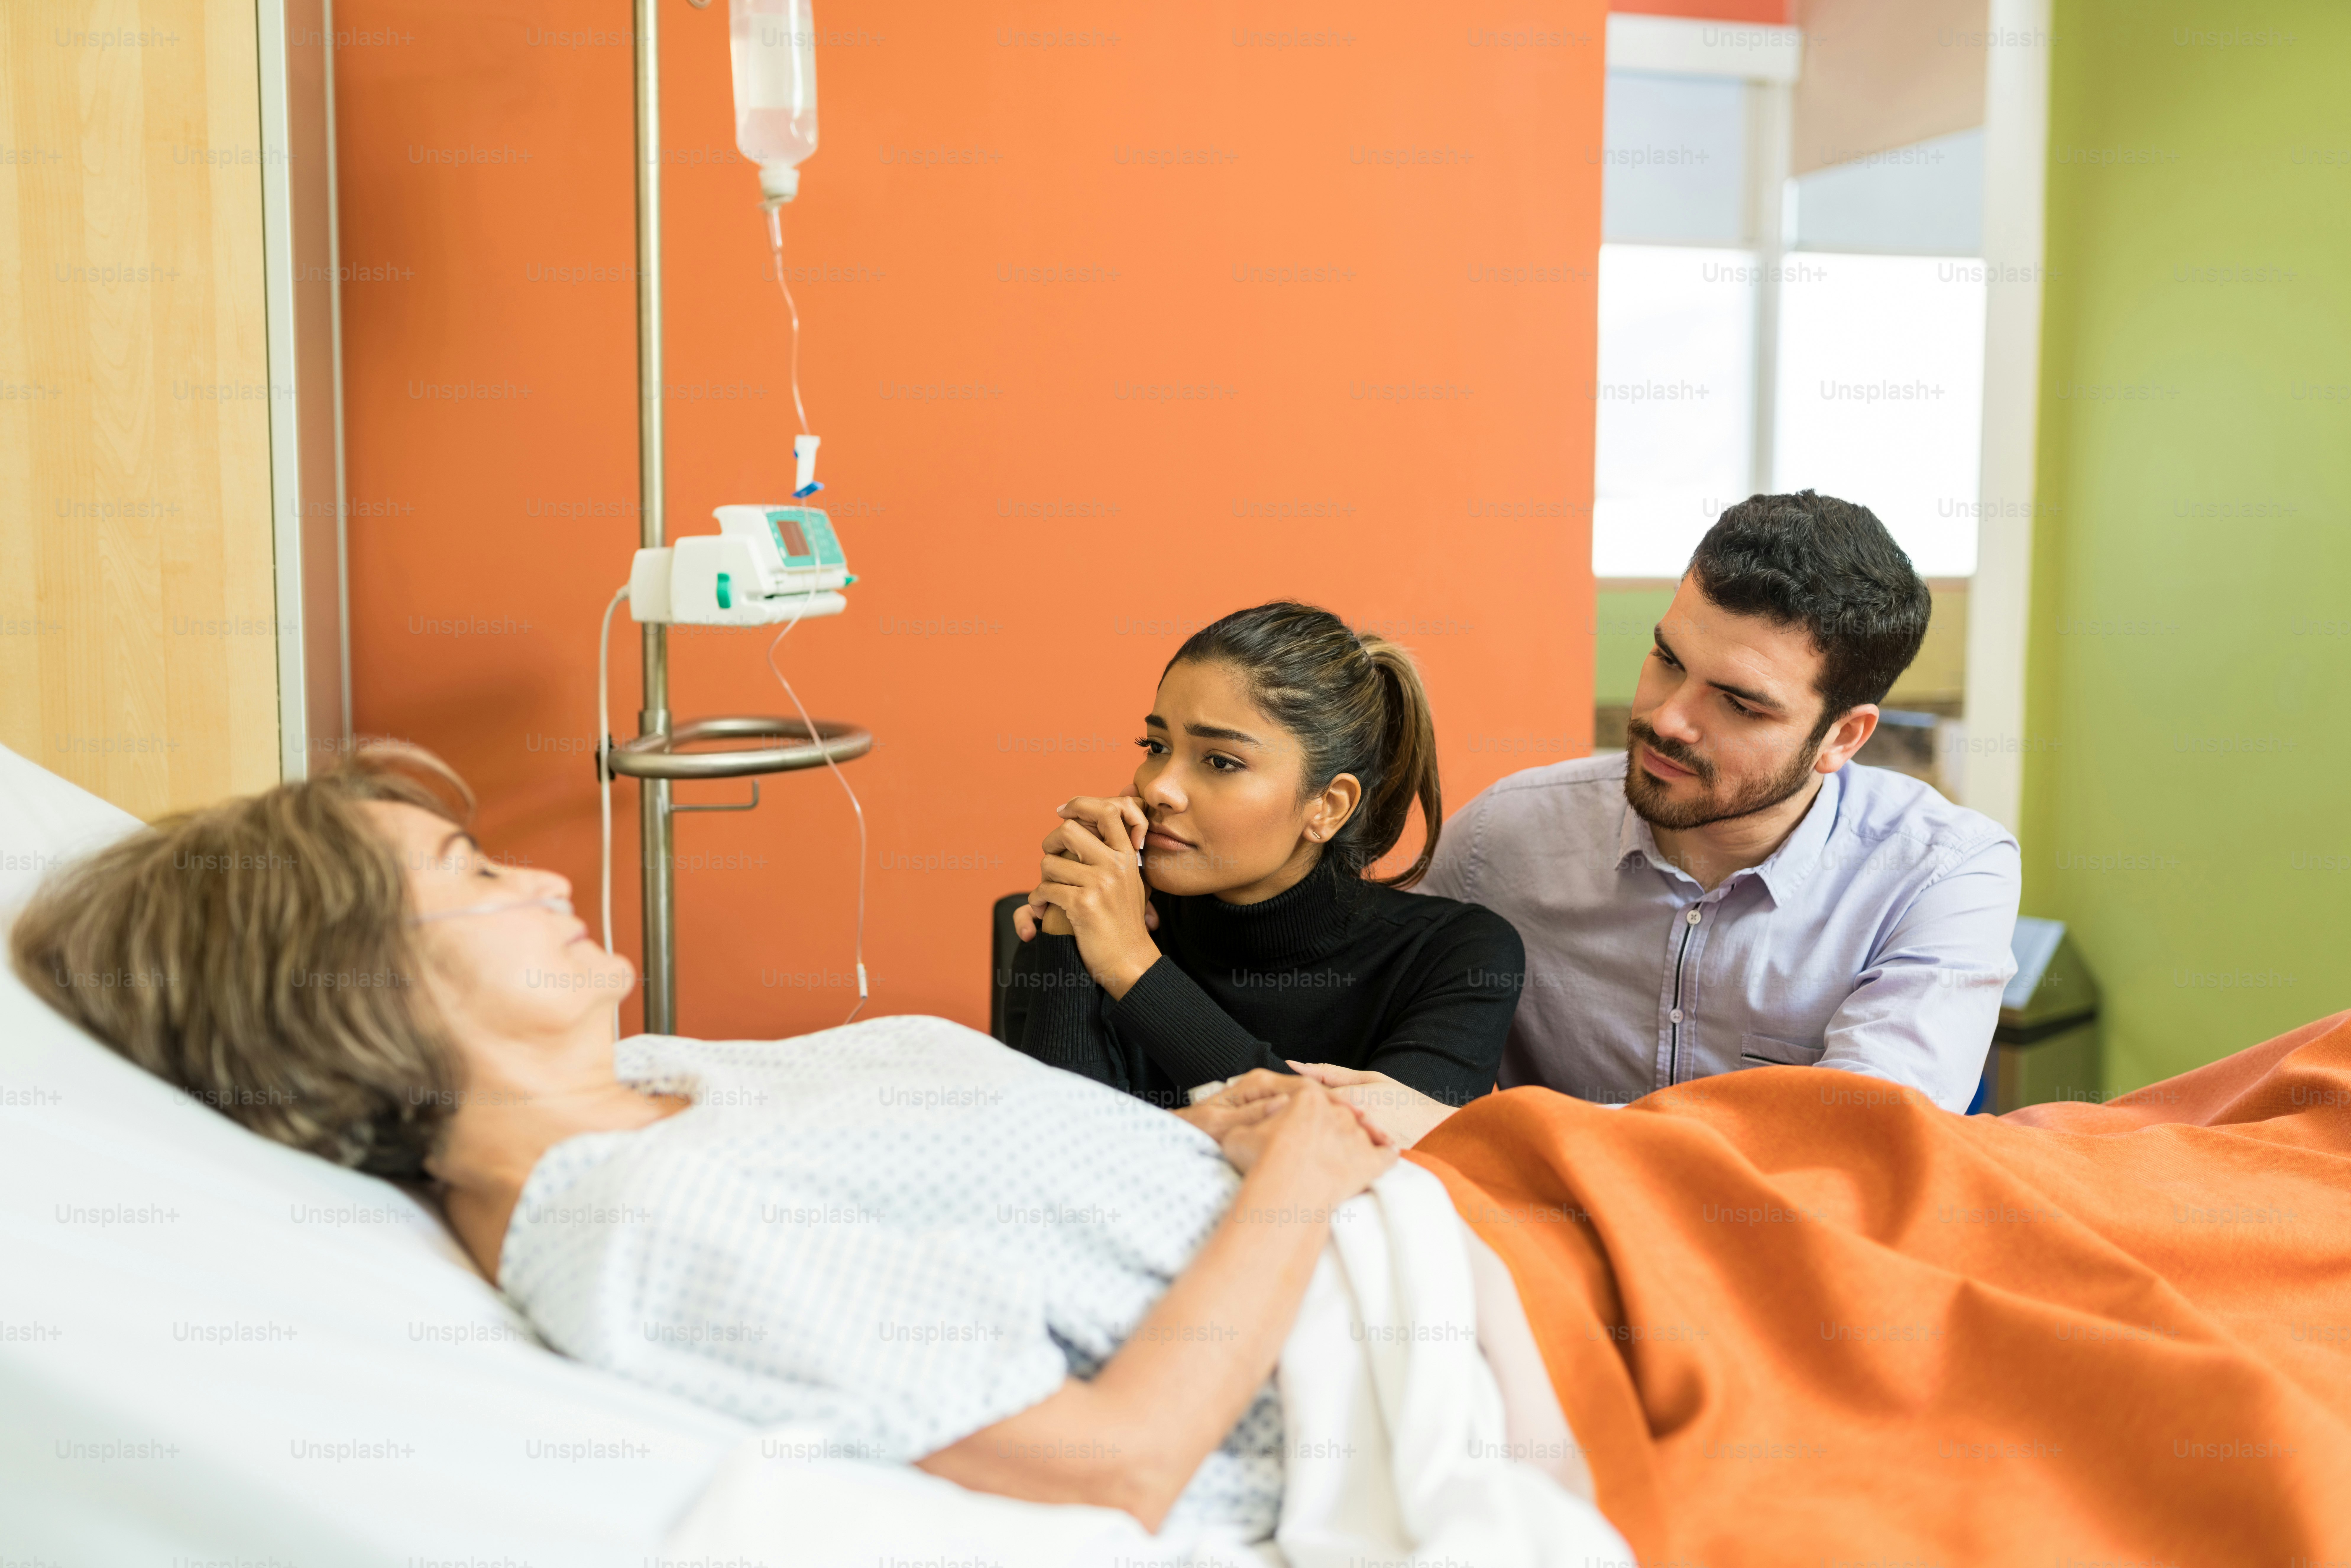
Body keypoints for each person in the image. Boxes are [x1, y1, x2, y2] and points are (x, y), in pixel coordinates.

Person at [6, 743, 1557, 1539]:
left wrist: (1238, 1119)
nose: (541, 880)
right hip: (1450, 1318)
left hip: (1449, 1199)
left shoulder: (658, 1070)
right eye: (472, 876)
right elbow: (1115, 1467)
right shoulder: (638, 1217)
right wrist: (1295, 1168)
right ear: (359, 990)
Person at [1419, 491, 2021, 1111]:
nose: (1669, 718)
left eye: (1738, 704)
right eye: (1667, 660)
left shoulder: (1940, 872)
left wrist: (1498, 1128)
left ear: (1841, 738)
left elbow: (1859, 1150)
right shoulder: (1500, 838)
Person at [1003, 601, 1523, 1110]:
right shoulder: (1093, 912)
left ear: (1328, 806)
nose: (1160, 788)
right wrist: (1073, 929)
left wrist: (1131, 966)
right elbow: (1050, 1164)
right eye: (1156, 746)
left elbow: (1370, 1155)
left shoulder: (1457, 957)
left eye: (1221, 762)